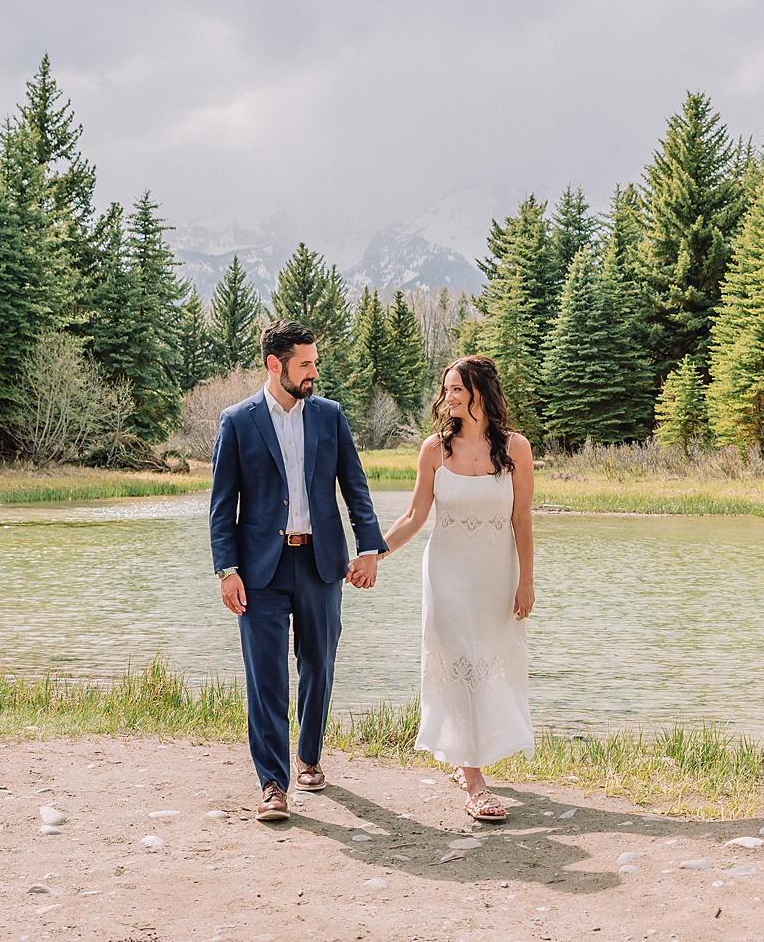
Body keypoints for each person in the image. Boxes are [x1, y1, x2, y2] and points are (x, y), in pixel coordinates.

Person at [209, 319, 387, 822]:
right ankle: (272, 783)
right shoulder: (237, 421)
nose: (313, 371)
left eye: (314, 361)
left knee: (319, 665)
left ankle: (308, 758)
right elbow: (222, 505)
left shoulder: (329, 416)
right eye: (304, 363)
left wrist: (370, 547)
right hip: (259, 570)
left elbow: (356, 487)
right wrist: (227, 568)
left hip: (320, 562)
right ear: (275, 364)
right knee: (265, 676)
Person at [378, 354, 536, 821]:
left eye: (457, 390)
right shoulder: (434, 450)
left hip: (496, 577)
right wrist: (372, 554)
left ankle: (469, 756)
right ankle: (474, 781)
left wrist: (526, 580)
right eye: (446, 390)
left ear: (480, 394)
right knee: (458, 664)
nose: (448, 398)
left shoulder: (516, 449)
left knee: (489, 667)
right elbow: (413, 518)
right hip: (446, 576)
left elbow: (521, 519)